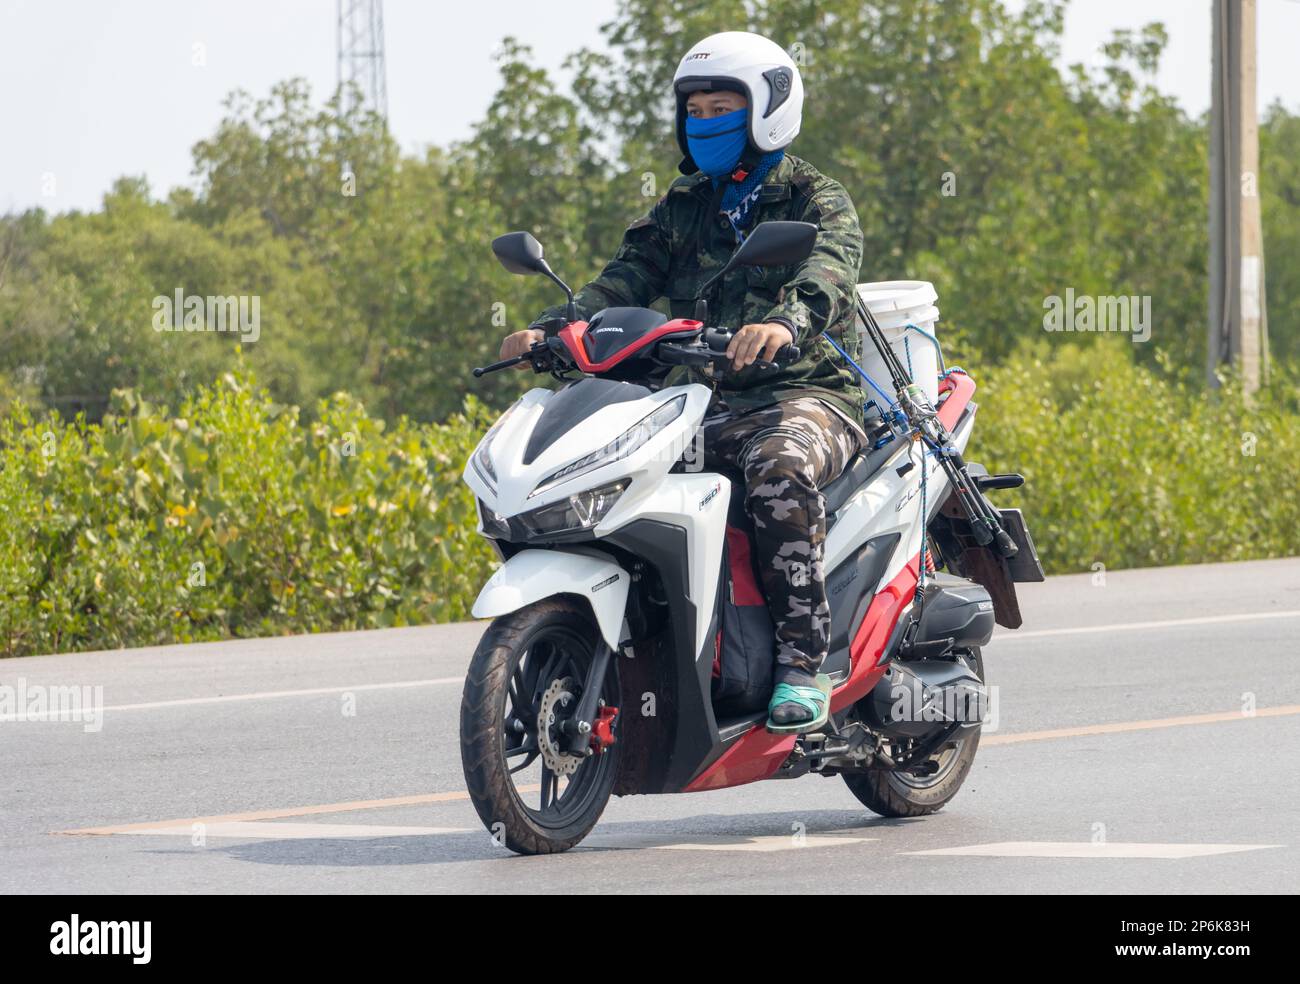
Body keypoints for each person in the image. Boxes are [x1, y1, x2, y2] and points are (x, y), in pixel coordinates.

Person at [498, 31, 866, 729]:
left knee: (778, 468)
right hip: (698, 401)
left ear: (766, 112)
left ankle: (800, 664)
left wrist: (785, 324)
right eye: (694, 111)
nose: (705, 123)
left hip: (804, 397)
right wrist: (554, 329)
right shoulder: (682, 207)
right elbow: (621, 280)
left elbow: (828, 276)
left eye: (721, 107)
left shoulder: (817, 200)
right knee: (599, 468)